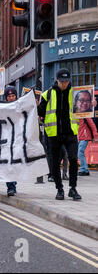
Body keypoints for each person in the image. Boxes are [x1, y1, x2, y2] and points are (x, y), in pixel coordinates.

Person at [38, 68, 97, 201]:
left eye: (67, 81)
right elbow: (40, 112)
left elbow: (84, 109)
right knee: (55, 162)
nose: (64, 84)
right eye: (62, 81)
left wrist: (92, 106)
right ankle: (59, 189)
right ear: (57, 80)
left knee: (73, 159)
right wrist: (37, 105)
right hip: (53, 134)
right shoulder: (47, 94)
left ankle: (73, 188)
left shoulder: (76, 94)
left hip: (70, 133)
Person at [3, 86, 19, 196]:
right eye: (9, 96)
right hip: (6, 140)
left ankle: (13, 182)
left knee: (16, 164)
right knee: (8, 164)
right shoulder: (2, 108)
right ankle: (10, 187)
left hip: (18, 139)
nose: (11, 98)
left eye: (13, 96)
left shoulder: (20, 107)